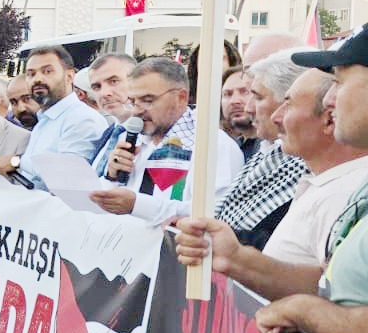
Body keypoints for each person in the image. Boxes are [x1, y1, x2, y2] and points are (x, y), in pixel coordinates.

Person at [177, 68, 368, 299]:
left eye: (289, 104)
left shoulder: (346, 194)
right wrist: (235, 258)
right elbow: (321, 286)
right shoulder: (326, 183)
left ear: (329, 119)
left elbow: (339, 303)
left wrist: (303, 315)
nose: (277, 117)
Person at [89, 58, 243, 225]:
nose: (138, 110)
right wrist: (112, 177)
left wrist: (137, 205)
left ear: (181, 97)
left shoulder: (212, 145)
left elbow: (213, 214)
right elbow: (103, 208)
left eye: (148, 100)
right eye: (133, 101)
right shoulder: (132, 140)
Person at [209, 50, 310, 248]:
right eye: (227, 94)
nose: (247, 108)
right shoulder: (265, 151)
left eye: (256, 97)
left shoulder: (307, 163)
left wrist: (226, 240)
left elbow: (289, 251)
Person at [0, 45, 108, 185]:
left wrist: (17, 162)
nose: (37, 79)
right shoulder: (44, 120)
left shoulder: (83, 119)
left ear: (69, 76)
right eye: (31, 74)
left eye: (47, 71)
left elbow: (71, 177)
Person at [220, 66, 260, 162]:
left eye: (244, 92)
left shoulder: (276, 148)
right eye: (227, 94)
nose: (234, 101)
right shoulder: (222, 147)